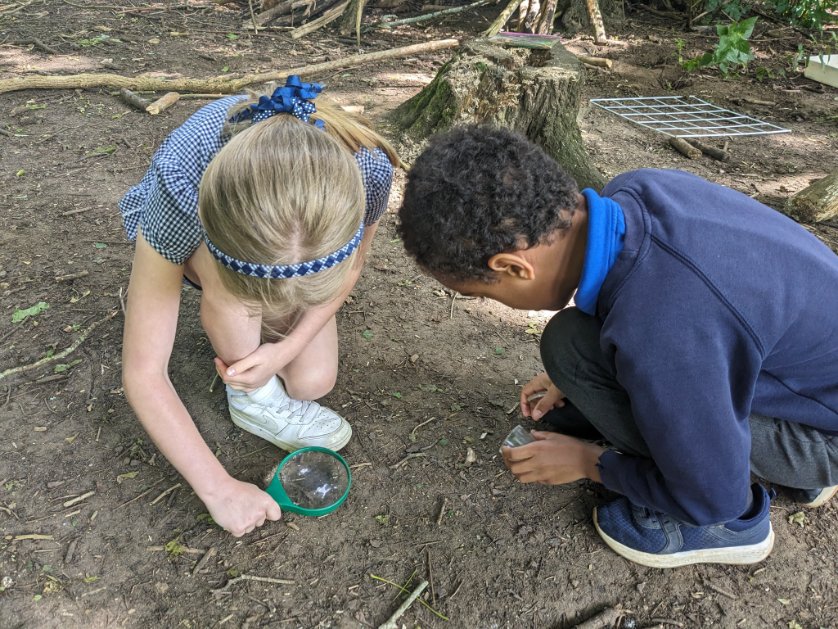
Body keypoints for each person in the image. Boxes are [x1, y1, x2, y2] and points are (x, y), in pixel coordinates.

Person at [397, 125, 838, 568]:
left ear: (513, 267)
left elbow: (712, 493)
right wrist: (579, 376)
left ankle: (739, 527)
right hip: (810, 382)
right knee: (571, 344)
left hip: (823, 436)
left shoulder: (666, 323)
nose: (489, 302)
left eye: (483, 294)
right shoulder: (636, 191)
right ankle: (792, 460)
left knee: (709, 492)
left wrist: (591, 462)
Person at [119, 76, 399, 537]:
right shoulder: (181, 189)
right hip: (208, 235)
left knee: (312, 381)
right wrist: (217, 488)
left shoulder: (368, 167)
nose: (278, 310)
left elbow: (351, 269)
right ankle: (247, 385)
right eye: (265, 299)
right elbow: (143, 370)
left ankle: (255, 332)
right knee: (240, 301)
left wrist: (286, 350)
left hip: (264, 242)